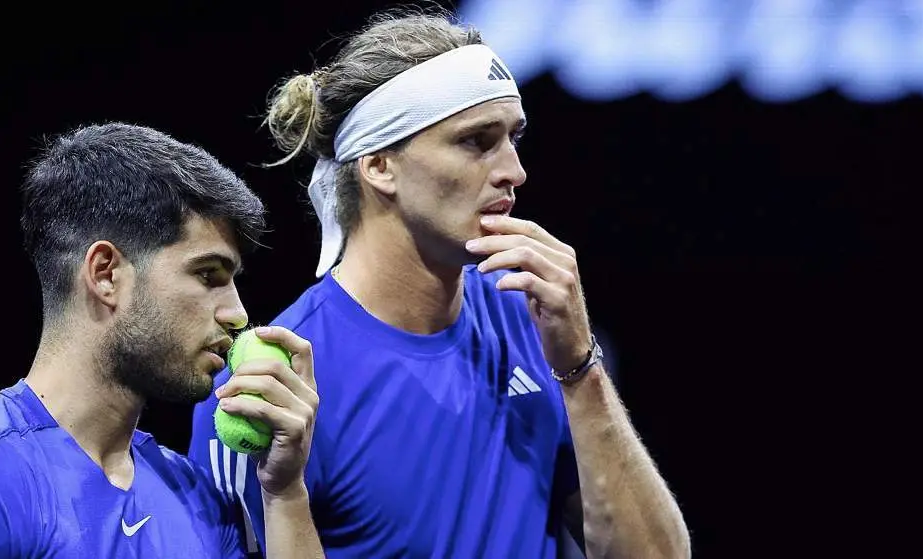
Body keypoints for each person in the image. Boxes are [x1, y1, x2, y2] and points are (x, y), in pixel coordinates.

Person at [189, 6, 691, 559]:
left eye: (512, 139)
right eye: (477, 142)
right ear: (379, 165)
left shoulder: (530, 318)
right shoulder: (271, 387)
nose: (513, 171)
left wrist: (580, 368)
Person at [0, 122, 324, 558]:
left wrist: (283, 492)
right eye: (208, 275)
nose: (237, 313)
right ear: (106, 274)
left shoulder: (192, 495)